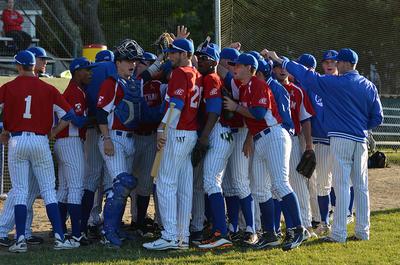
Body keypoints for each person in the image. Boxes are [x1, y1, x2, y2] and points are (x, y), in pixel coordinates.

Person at [267, 48, 383, 243]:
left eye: (338, 62)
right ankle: (363, 232)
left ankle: (338, 234)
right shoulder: (369, 85)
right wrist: (361, 127)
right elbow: (377, 118)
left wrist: (281, 60)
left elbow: (306, 75)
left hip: (341, 138)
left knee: (341, 184)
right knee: (362, 187)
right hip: (361, 139)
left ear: (346, 64)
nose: (335, 65)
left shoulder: (335, 83)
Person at [223, 53, 306, 251]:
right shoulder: (244, 88)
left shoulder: (259, 84)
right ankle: (270, 234)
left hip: (274, 135)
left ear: (251, 69)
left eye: (240, 65)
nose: (236, 68)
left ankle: (297, 229)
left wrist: (235, 107)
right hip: (260, 138)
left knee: (280, 183)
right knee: (260, 189)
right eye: (235, 65)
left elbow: (259, 114)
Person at [0, 50, 78, 252]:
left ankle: (19, 241)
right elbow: (69, 115)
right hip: (40, 140)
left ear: (18, 66)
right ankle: (60, 238)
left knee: (19, 191)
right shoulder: (48, 88)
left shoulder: (8, 87)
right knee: (48, 191)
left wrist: (2, 131)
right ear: (34, 66)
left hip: (16, 141)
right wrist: (52, 133)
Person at [143, 38, 202, 251]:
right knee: (184, 187)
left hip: (177, 131)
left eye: (174, 53)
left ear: (185, 54)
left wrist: (162, 127)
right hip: (190, 133)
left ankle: (169, 235)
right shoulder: (195, 73)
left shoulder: (180, 73)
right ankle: (181, 237)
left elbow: (176, 104)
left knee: (165, 183)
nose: (170, 56)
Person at [96, 39, 144, 248]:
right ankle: (107, 233)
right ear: (117, 62)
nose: (131, 64)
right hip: (113, 138)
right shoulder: (111, 83)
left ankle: (114, 228)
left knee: (121, 187)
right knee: (121, 183)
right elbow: (100, 112)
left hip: (129, 140)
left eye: (134, 60)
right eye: (127, 60)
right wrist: (106, 139)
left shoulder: (132, 82)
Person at [272, 59, 316, 238]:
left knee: (297, 183)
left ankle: (305, 225)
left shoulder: (297, 91)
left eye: (284, 67)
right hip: (271, 139)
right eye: (277, 67)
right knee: (275, 185)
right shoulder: (270, 88)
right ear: (272, 70)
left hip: (293, 138)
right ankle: (277, 227)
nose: (282, 70)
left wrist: (308, 145)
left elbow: (305, 120)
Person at [54, 57, 95, 246]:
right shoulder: (75, 92)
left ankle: (60, 231)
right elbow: (77, 121)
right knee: (76, 188)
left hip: (65, 142)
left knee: (63, 189)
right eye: (87, 70)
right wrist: (96, 118)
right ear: (77, 72)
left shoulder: (79, 90)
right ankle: (76, 234)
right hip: (70, 141)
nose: (90, 73)